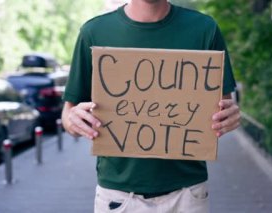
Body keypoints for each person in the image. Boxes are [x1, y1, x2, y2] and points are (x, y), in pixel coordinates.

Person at [62, 0, 240, 212]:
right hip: (119, 196)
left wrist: (230, 116)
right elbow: (68, 113)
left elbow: (224, 105)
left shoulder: (204, 29)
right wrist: (73, 120)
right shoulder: (94, 32)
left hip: (188, 194)